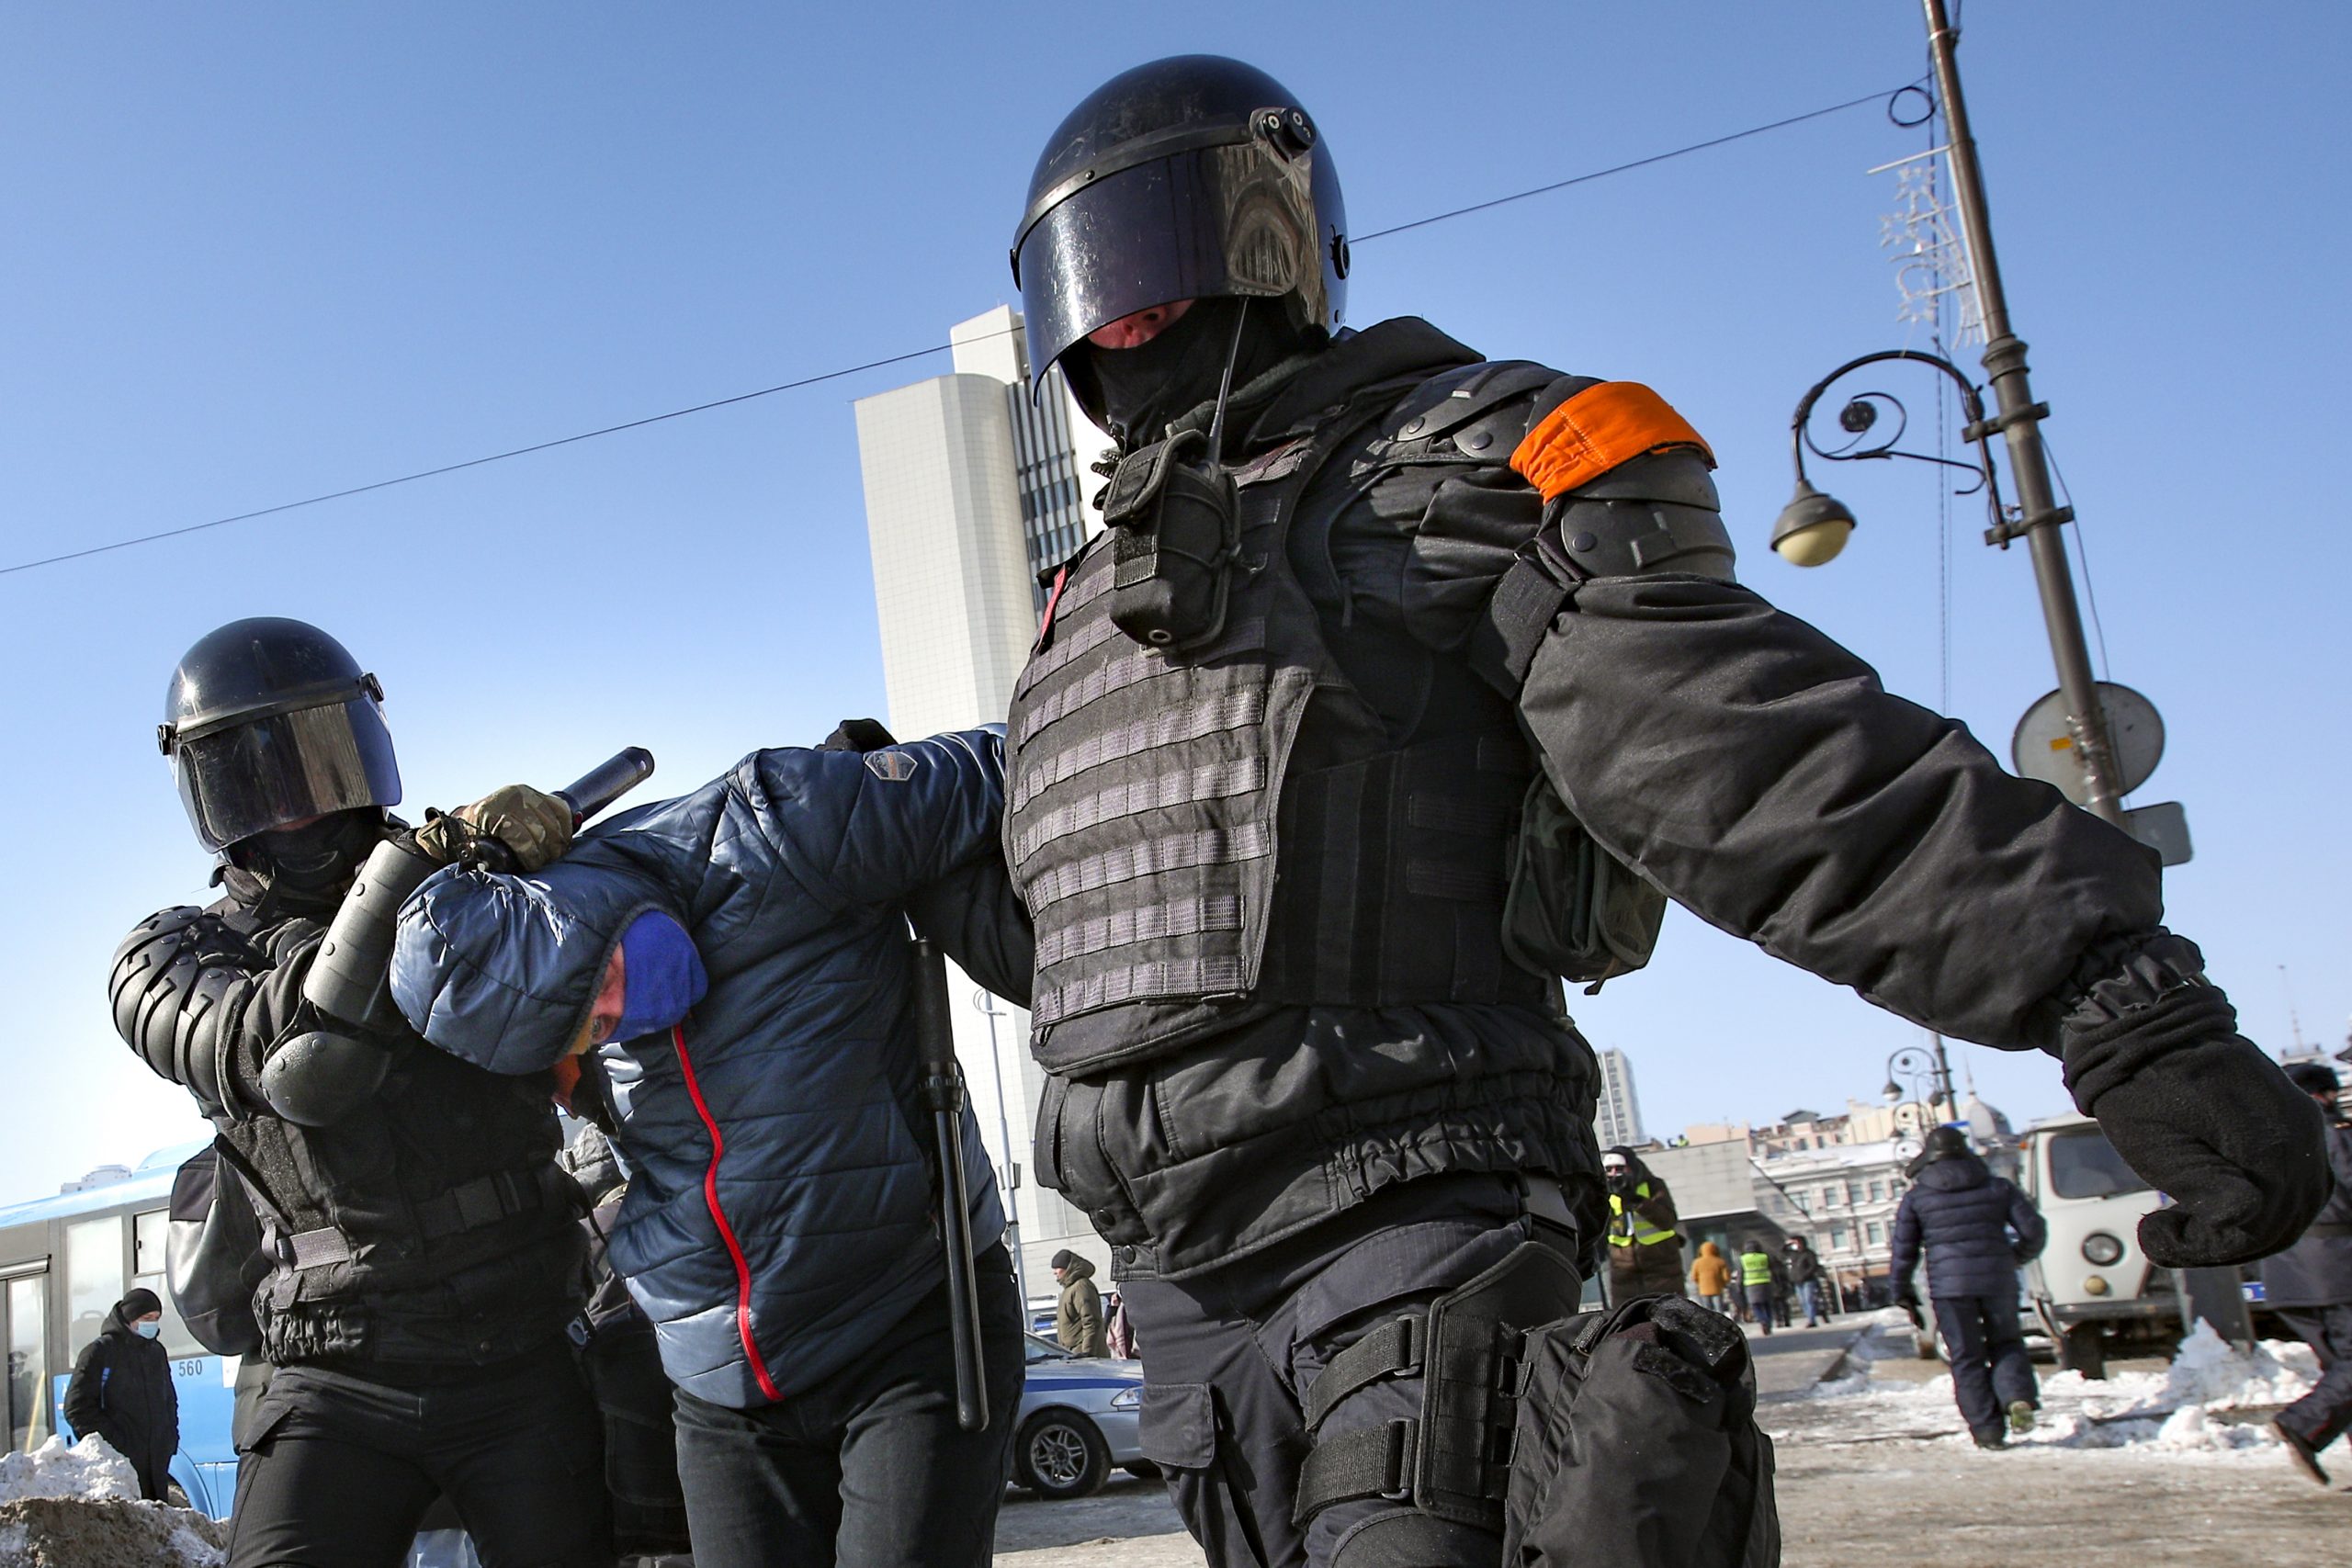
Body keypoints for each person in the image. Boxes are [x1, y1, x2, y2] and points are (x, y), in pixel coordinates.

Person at [997, 53, 2329, 1567]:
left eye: (1163, 258)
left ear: (1267, 243)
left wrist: (2112, 988)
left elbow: (1735, 749)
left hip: (1409, 1215)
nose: (1127, 316)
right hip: (1185, 1292)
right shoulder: (1085, 610)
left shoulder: (1455, 467)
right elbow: (1070, 927)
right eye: (1095, 283)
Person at [389, 722, 1031, 1568]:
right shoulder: (527, 1000)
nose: (613, 1022)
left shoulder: (778, 826)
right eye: (590, 1031)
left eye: (600, 988)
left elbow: (1012, 761)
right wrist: (439, 845)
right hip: (720, 1385)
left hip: (907, 1316)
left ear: (575, 913)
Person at [107, 617, 607, 1567]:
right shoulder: (170, 952)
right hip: (325, 1370)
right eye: (257, 779)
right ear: (206, 794)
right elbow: (300, 1062)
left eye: (320, 765)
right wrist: (416, 870)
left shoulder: (475, 893)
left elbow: (622, 1058)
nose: (296, 809)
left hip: (521, 1343)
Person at [1889, 1126, 2048, 1449]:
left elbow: (1904, 1250)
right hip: (1998, 1279)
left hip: (1950, 1289)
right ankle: (2017, 1397)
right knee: (2007, 1342)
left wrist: (1901, 1290)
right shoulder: (1998, 1187)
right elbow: (2034, 1230)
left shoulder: (1918, 1197)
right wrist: (2014, 1258)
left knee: (1966, 1357)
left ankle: (1987, 1431)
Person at [2262, 1062, 2352, 1484]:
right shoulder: (2331, 1132)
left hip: (2286, 1271)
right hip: (2335, 1265)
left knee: (2341, 1369)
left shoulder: (2260, 1140)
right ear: (2323, 1095)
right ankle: (2302, 1423)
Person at [62, 1289, 178, 1501]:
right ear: (130, 1318)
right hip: (119, 1468)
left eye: (156, 1319)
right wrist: (115, 1445)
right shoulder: (100, 1352)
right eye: (146, 1318)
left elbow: (169, 1399)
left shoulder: (156, 1352)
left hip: (157, 1464)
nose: (152, 1324)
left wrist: (170, 1439)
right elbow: (77, 1408)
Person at [1053, 1250, 1109, 1358]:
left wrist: (1087, 1353)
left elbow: (1091, 1321)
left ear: (1068, 1268)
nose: (1054, 1272)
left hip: (1085, 1356)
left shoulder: (1081, 1286)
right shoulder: (1069, 1289)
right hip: (1074, 1355)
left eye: (1057, 1268)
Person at [1781, 1236, 1828, 1327]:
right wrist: (1787, 1244)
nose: (1795, 1245)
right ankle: (1810, 1317)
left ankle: (1811, 1320)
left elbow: (1813, 1266)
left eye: (1796, 1243)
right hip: (1797, 1281)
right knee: (1803, 1301)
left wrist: (1805, 1275)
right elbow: (1783, 1251)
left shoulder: (1809, 1253)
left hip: (1808, 1280)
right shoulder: (1794, 1254)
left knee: (1809, 1300)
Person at [1736, 1242, 1777, 1337]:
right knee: (1767, 1305)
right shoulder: (1764, 1257)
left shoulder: (1743, 1259)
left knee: (1755, 1305)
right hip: (1765, 1282)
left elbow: (1740, 1273)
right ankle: (1768, 1322)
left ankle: (1762, 1320)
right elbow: (1773, 1270)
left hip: (1751, 1284)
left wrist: (1739, 1286)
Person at [1690, 1241, 1733, 1314]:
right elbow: (1726, 1277)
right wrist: (1723, 1284)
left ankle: (1709, 1324)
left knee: (1707, 1309)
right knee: (1719, 1308)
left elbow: (1694, 1277)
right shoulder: (1720, 1261)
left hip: (1703, 1289)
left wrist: (1700, 1284)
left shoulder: (1697, 1262)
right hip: (1717, 1288)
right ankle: (1721, 1323)